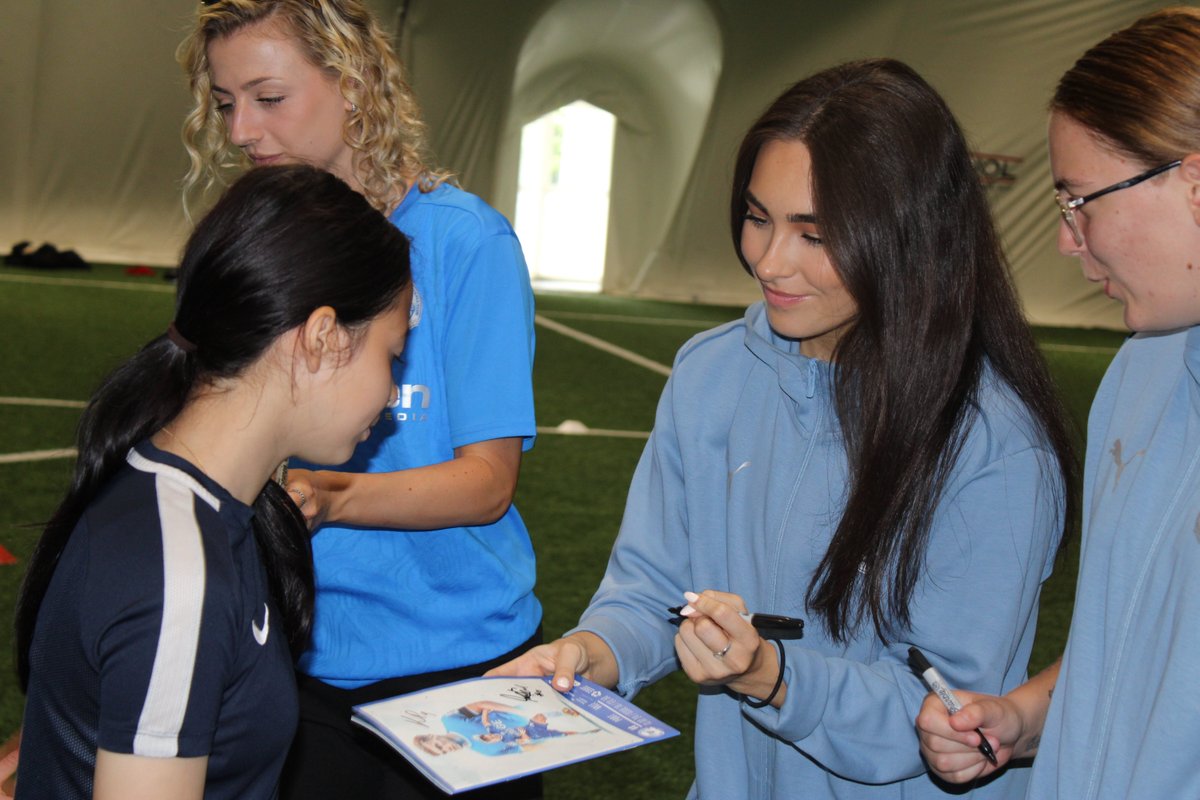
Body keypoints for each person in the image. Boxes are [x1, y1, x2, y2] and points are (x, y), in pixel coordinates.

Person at [490, 58, 1078, 799]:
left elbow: (947, 715)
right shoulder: (710, 374)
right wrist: (585, 653)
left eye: (815, 233)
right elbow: (650, 593)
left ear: (907, 235)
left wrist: (772, 677)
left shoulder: (993, 443)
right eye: (758, 217)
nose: (769, 261)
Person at [177, 3, 540, 798]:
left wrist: (327, 496)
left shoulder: (462, 242)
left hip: (463, 667)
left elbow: (487, 483)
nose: (240, 130)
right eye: (226, 101)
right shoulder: (252, 242)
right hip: (293, 662)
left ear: (354, 83)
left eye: (268, 98)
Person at [13, 164, 413, 800]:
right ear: (321, 338)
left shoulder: (212, 506)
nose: (392, 392)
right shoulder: (180, 573)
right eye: (391, 354)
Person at [916, 8, 1200, 798]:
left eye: (1080, 203)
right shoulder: (1141, 375)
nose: (1069, 243)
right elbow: (1133, 641)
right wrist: (1025, 718)